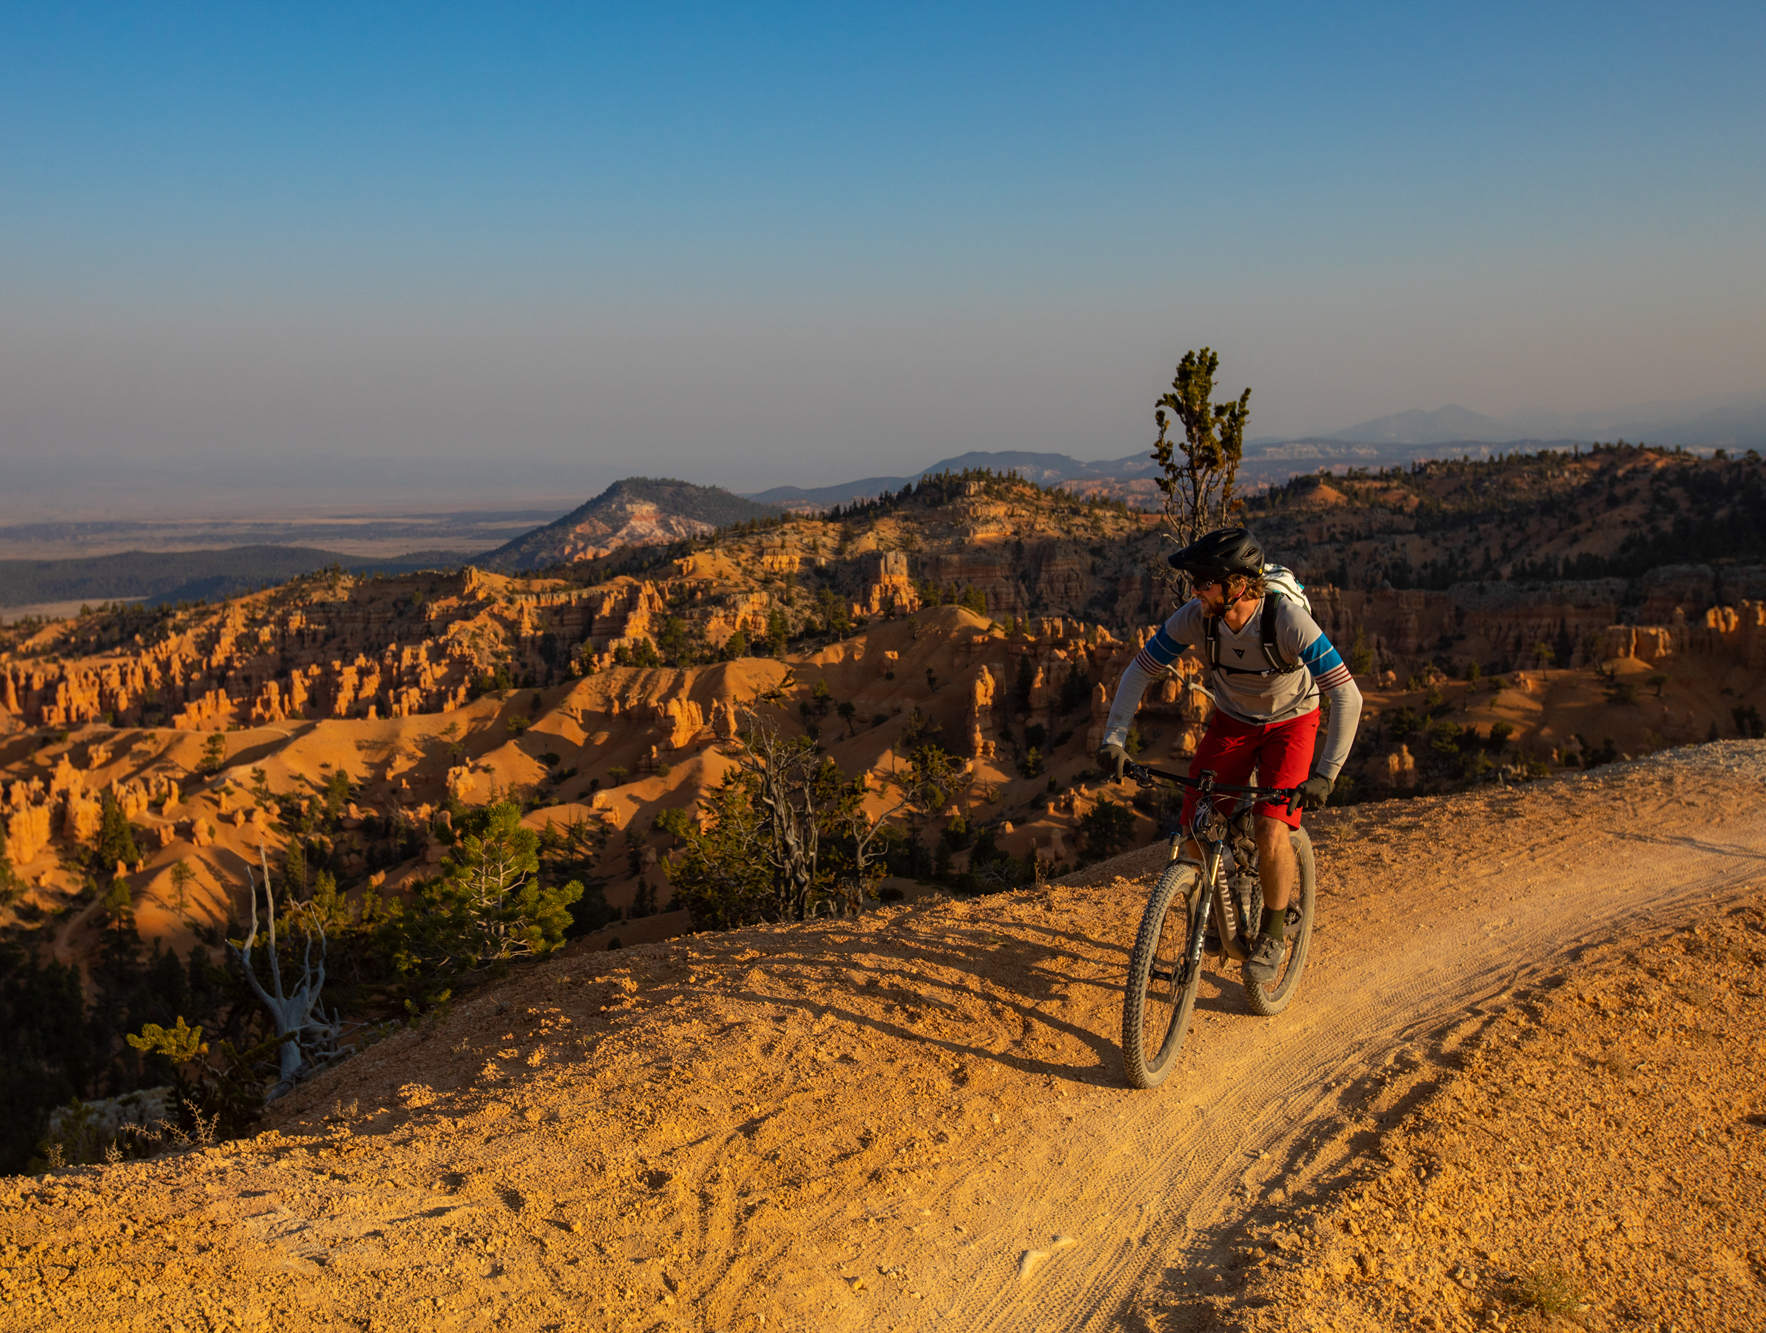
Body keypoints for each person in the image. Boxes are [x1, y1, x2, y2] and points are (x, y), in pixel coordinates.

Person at [1097, 527, 1363, 983]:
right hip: (1233, 721)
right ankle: (1211, 915)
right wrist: (1114, 740)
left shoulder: (1286, 621)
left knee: (1269, 826)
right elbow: (1140, 670)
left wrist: (1325, 775)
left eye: (1204, 582)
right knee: (1196, 821)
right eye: (1194, 583)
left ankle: (1274, 933)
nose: (1194, 591)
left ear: (1238, 584)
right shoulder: (1195, 618)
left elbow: (1347, 694)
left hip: (1292, 722)